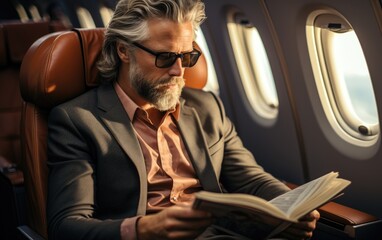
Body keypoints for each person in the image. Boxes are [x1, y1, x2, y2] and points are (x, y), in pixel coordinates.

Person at [46, 0, 320, 239]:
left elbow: (251, 180)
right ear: (123, 51)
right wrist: (143, 230)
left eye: (187, 56)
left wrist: (291, 206)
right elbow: (67, 227)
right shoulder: (77, 120)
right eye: (165, 57)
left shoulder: (207, 107)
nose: (179, 71)